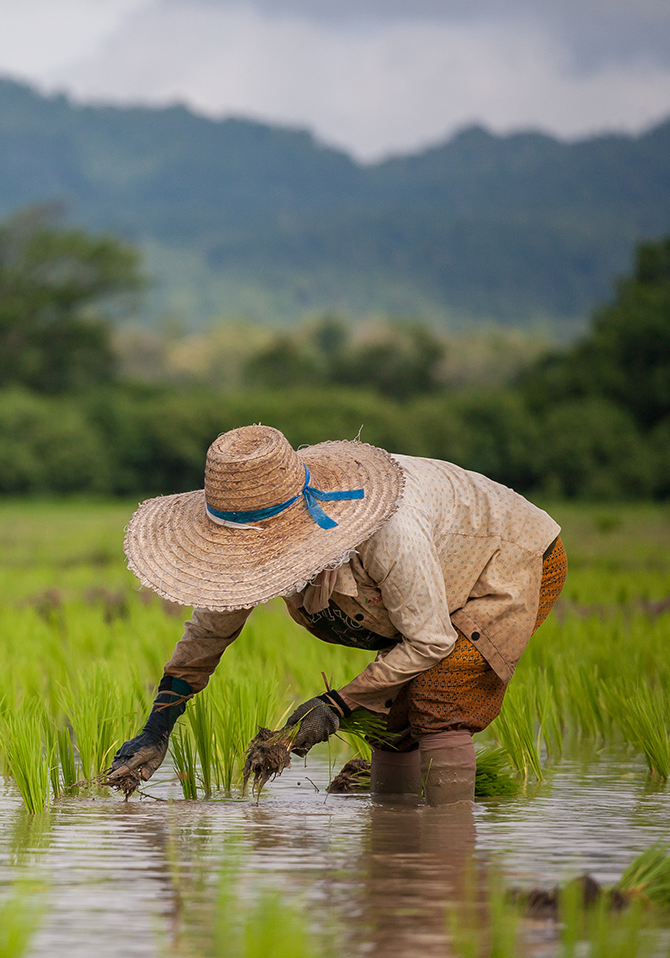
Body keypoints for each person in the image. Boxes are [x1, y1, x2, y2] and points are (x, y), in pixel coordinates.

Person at [110, 424, 566, 804]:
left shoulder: (388, 533)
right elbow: (206, 637)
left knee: (439, 700)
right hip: (427, 588)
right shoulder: (247, 531)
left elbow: (430, 640)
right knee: (390, 720)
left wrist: (336, 704)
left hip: (508, 558)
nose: (253, 565)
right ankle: (394, 846)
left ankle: (443, 858)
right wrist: (156, 729)